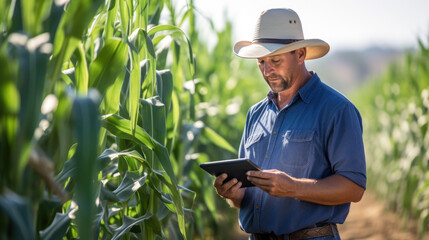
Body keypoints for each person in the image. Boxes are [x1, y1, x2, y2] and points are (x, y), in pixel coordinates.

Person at [213, 8, 366, 240]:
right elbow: (247, 197)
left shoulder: (336, 109)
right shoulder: (255, 114)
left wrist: (292, 187)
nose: (267, 70)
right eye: (261, 62)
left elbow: (354, 188)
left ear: (301, 54)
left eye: (275, 60)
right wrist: (232, 193)